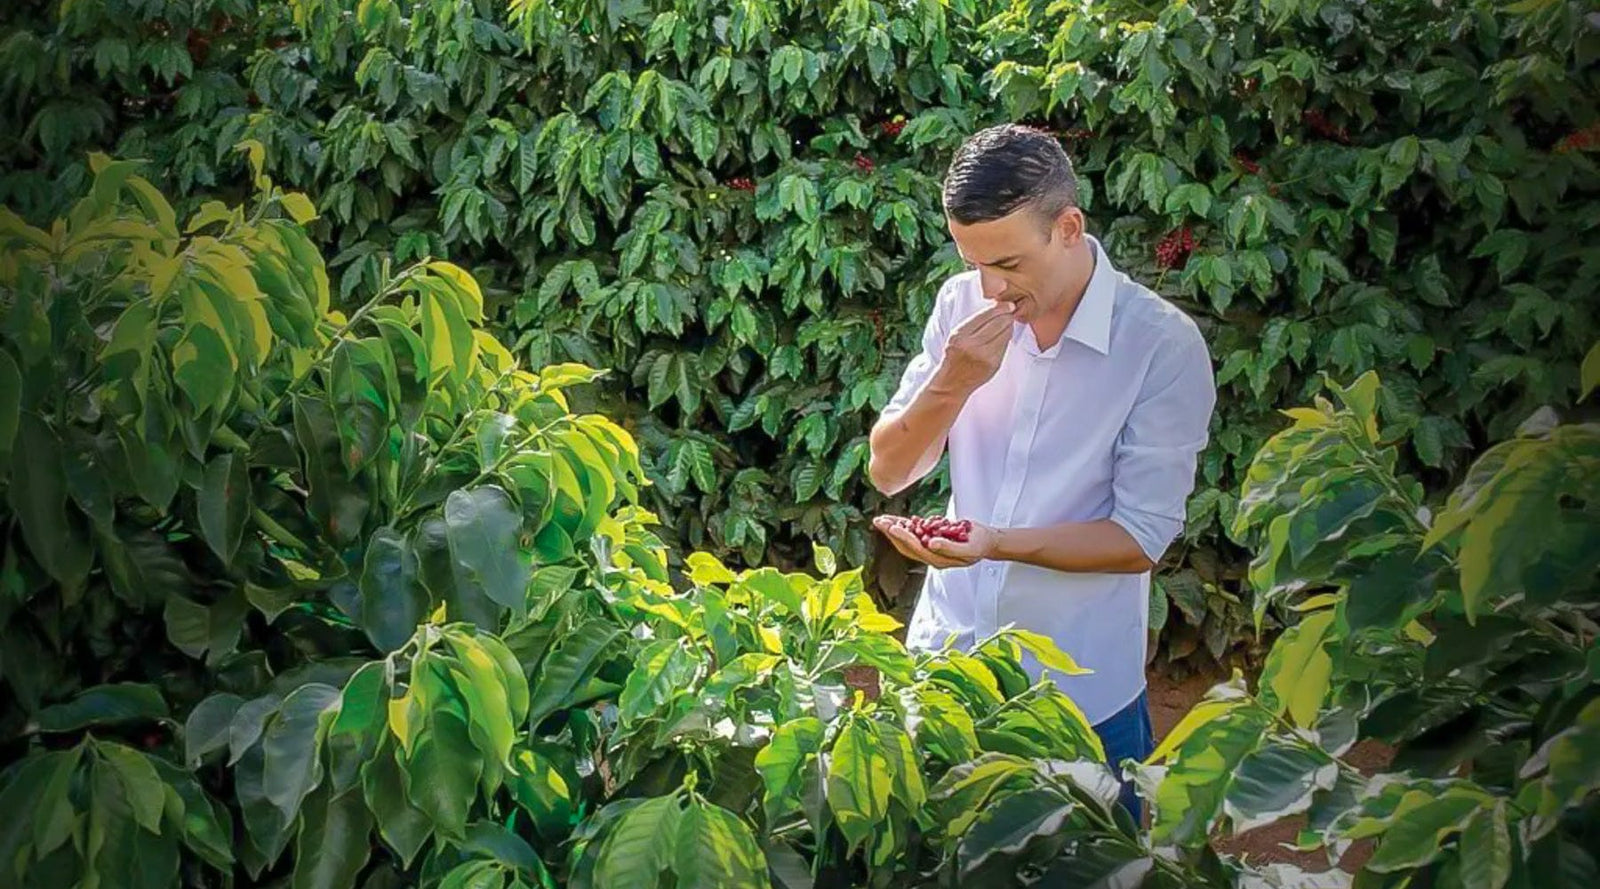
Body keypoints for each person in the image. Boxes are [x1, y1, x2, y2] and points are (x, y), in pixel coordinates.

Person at [867, 123, 1217, 823]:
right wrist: (952, 380)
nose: (991, 287)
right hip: (945, 667)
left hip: (1079, 696)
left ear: (1068, 228)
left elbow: (1139, 538)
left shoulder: (1160, 345)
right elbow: (889, 469)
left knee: (1093, 867)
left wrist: (996, 543)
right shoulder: (960, 305)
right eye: (973, 263)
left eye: (1009, 263)